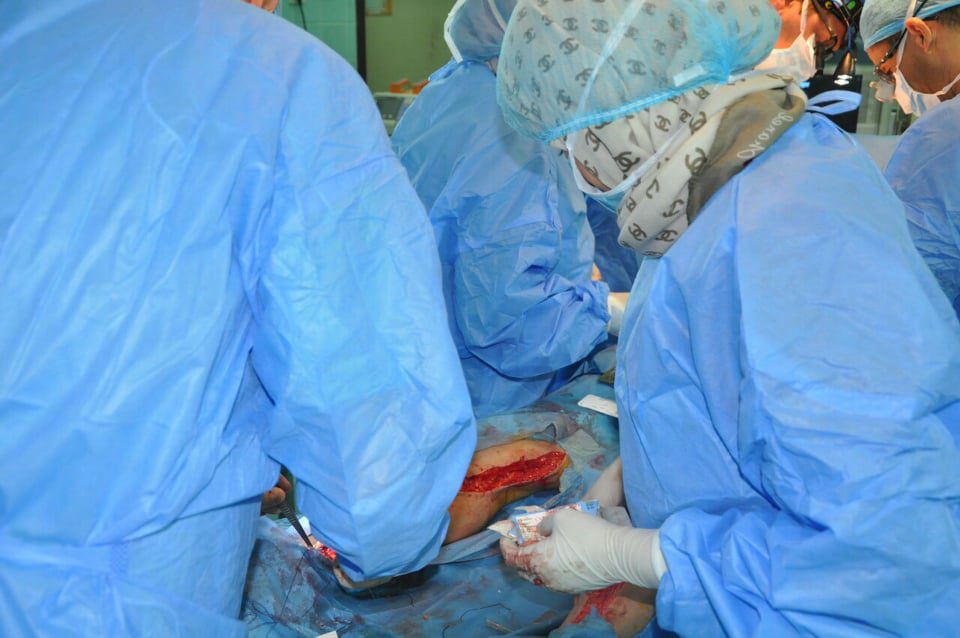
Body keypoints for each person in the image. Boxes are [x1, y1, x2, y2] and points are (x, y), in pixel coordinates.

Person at [0, 1, 476, 635]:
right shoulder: (277, 76)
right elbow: (371, 449)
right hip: (116, 600)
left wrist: (230, 450)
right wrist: (388, 534)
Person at [495, 0, 960, 635]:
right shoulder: (708, 189)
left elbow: (884, 547)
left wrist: (652, 556)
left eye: (573, 142)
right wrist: (641, 474)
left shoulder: (790, 227)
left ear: (633, 120)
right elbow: (723, 387)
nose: (576, 169)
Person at [391, 0, 613, 418]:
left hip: (424, 367)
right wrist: (607, 310)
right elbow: (509, 322)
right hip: (491, 397)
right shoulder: (518, 129)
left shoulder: (448, 92)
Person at [862, 0, 960, 316]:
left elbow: (913, 297)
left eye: (888, 72)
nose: (891, 94)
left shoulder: (942, 138)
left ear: (920, 34)